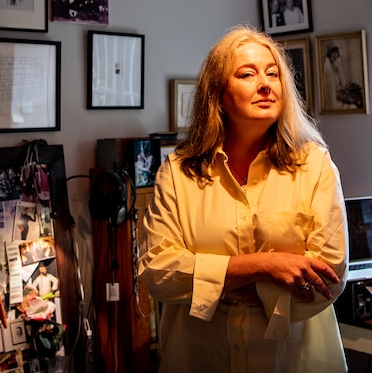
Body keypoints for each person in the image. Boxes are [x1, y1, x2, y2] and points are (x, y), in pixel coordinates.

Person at [137, 25, 348, 373]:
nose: (265, 84)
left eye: (273, 73)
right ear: (218, 94)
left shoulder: (314, 165)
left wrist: (215, 286)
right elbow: (158, 272)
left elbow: (329, 275)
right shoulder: (177, 172)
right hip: (200, 356)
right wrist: (267, 267)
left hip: (292, 359)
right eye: (247, 74)